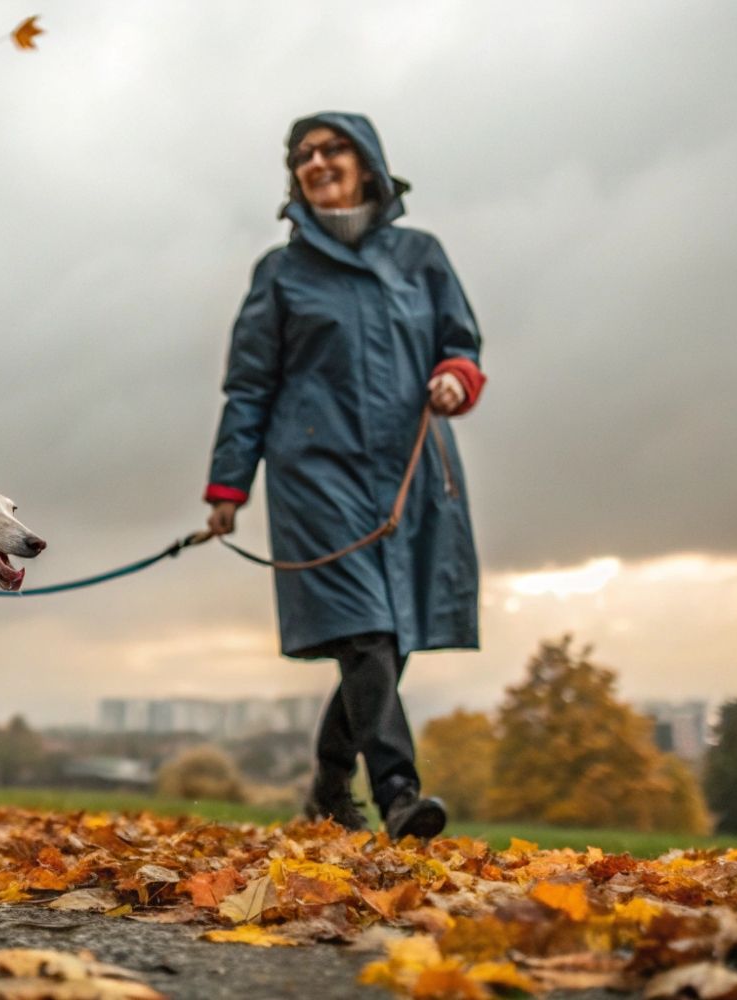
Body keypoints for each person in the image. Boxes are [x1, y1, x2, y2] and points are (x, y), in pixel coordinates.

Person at [204, 111, 486, 841]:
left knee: (394, 638)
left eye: (334, 149)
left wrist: (456, 377)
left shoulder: (421, 257)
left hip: (413, 472)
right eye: (303, 155)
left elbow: (461, 342)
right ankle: (397, 794)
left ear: (369, 164)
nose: (317, 161)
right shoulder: (281, 272)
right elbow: (249, 386)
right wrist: (228, 487)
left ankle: (329, 787)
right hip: (316, 477)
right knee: (366, 634)